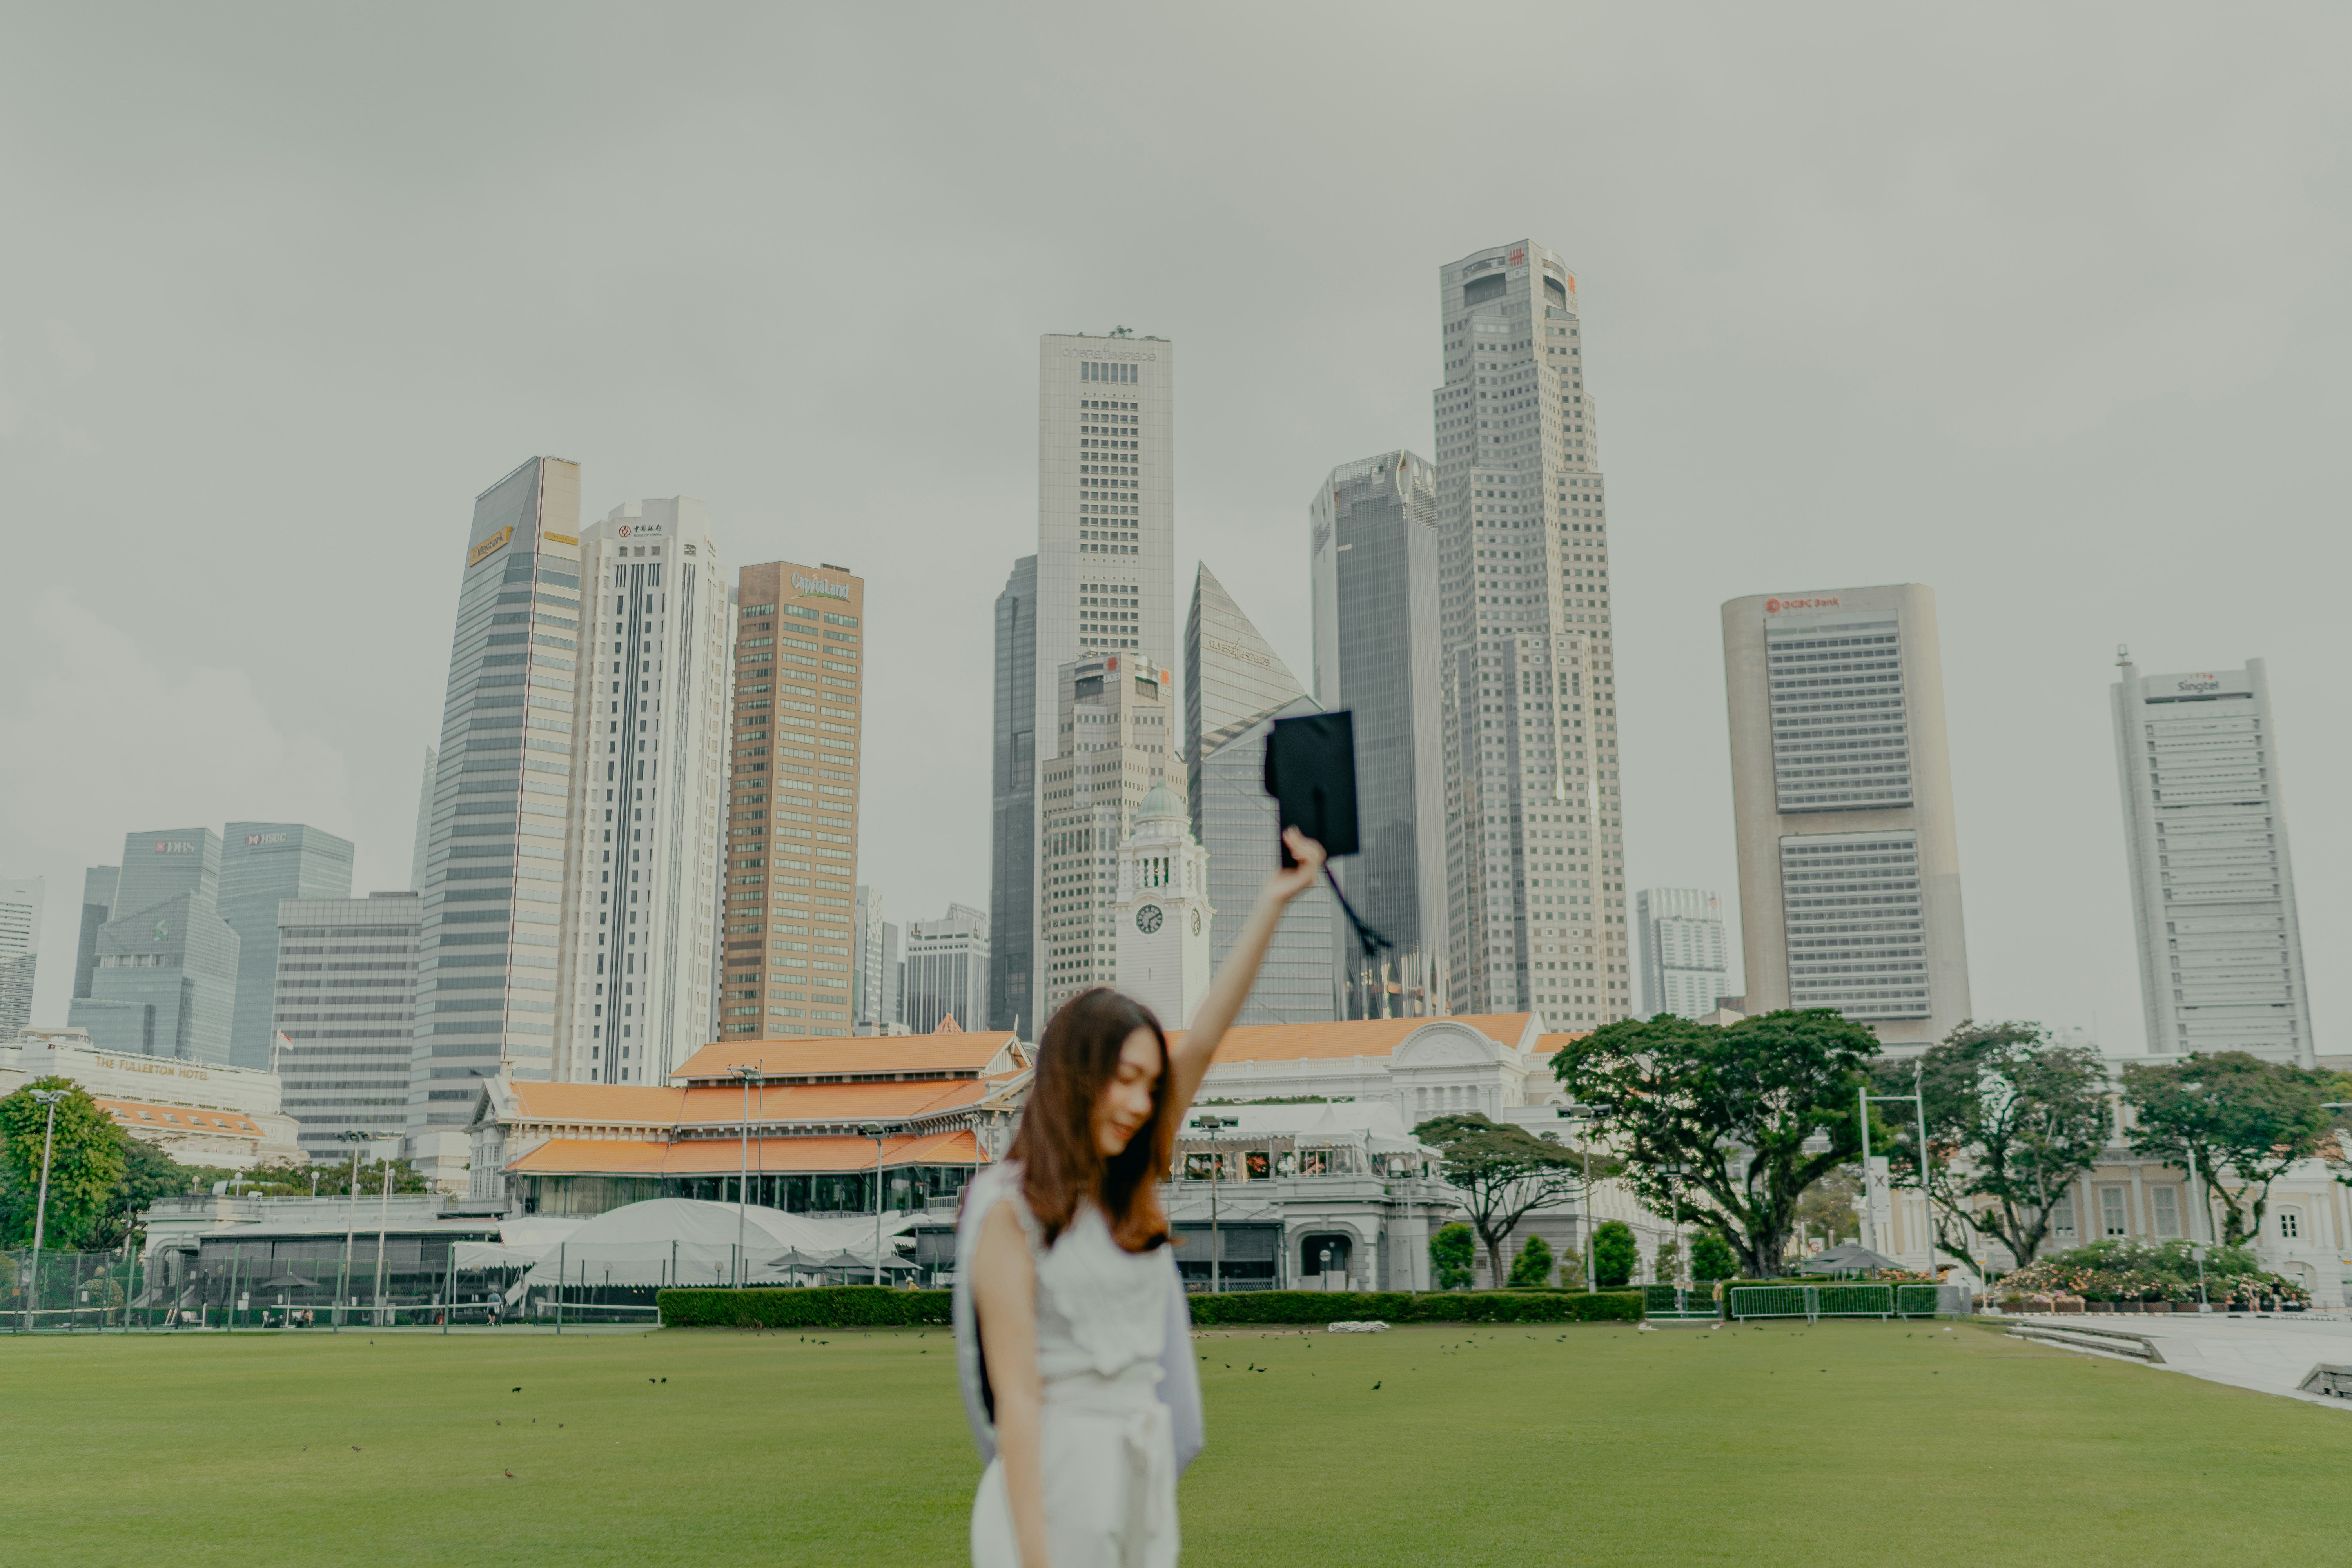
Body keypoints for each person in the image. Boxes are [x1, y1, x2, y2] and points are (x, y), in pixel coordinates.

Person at [955, 828, 1327, 1568]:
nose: (1139, 1102)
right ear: (1075, 1075)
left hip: (1139, 1473)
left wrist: (1273, 902)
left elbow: (1206, 1041)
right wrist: (1035, 1555)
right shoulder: (1008, 1207)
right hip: (1056, 1479)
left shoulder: (1125, 1191)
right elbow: (1017, 1401)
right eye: (1123, 1078)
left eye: (1151, 1086)